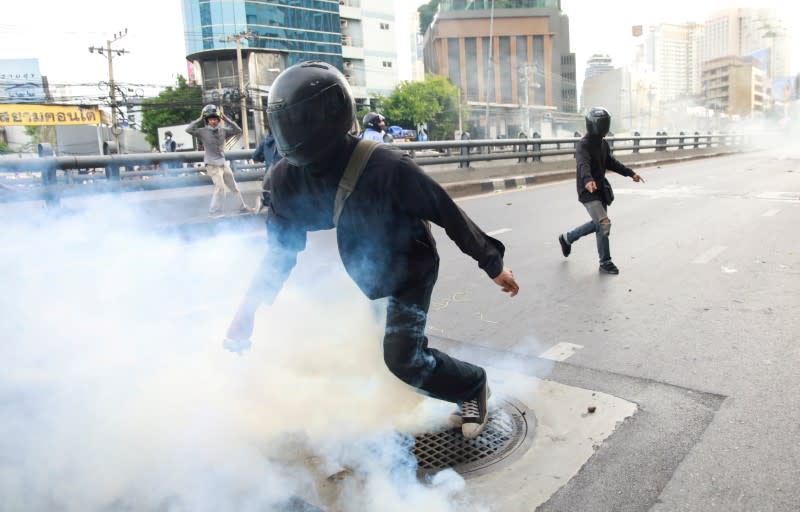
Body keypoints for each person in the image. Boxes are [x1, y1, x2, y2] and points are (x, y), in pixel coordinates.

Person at [225, 61, 520, 440]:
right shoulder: (285, 180)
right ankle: (398, 395)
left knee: (402, 358)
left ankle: (472, 386)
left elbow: (446, 211)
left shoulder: (386, 166)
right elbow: (280, 252)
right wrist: (246, 311)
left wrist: (492, 264)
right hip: (365, 268)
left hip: (410, 266)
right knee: (370, 351)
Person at [558, 107, 644, 274]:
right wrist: (588, 180)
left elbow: (611, 163)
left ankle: (567, 238)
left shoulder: (603, 144)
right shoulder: (583, 145)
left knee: (599, 224)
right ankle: (605, 262)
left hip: (600, 189)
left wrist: (630, 173)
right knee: (604, 223)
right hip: (588, 190)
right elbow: (583, 165)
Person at [186, 104, 252, 217]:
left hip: (223, 162)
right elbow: (188, 129)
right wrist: (199, 118)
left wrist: (226, 119)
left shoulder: (223, 130)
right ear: (207, 120)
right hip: (212, 164)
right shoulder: (202, 131)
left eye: (215, 119)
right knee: (220, 187)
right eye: (211, 119)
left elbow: (238, 130)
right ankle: (214, 211)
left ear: (218, 119)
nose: (213, 121)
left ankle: (242, 207)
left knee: (233, 186)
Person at [252, 127, 283, 211]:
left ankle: (265, 202)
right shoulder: (283, 141)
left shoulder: (264, 142)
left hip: (269, 172)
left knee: (269, 193)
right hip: (282, 171)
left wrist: (264, 158)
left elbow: (255, 156)